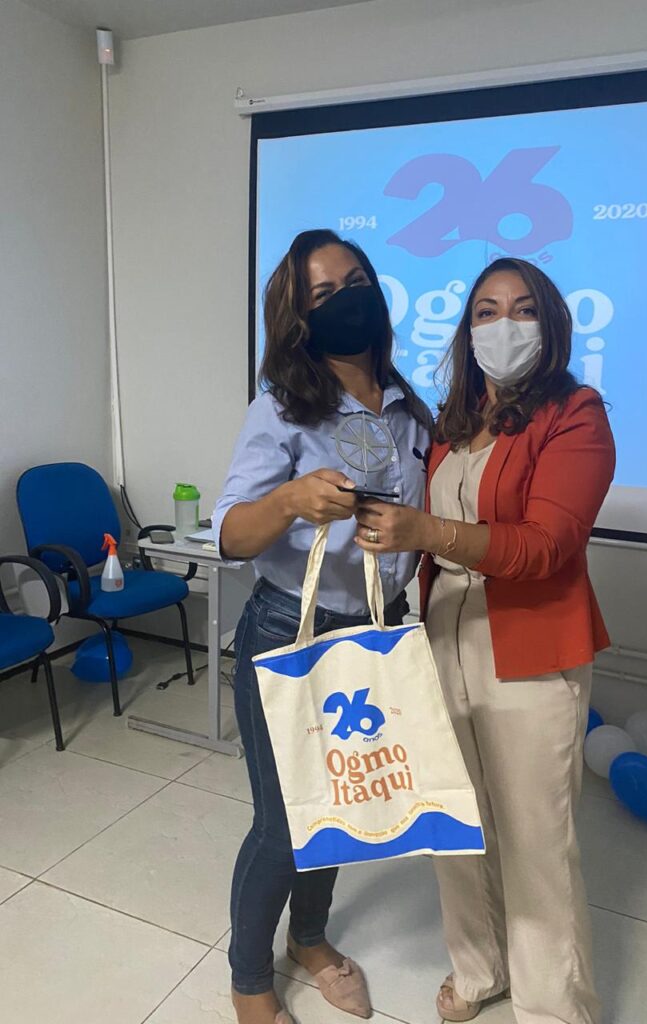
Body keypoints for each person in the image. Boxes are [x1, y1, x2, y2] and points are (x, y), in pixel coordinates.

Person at [353, 257, 615, 1024]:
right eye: (487, 312)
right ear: (467, 331)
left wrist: (427, 531)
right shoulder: (455, 420)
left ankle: (552, 1009)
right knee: (457, 824)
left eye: (524, 309)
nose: (505, 325)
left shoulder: (576, 414)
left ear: (552, 324)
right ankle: (478, 970)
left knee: (537, 845)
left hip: (530, 646)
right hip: (445, 636)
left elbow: (545, 546)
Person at [213, 229, 431, 1024]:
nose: (348, 301)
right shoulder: (280, 408)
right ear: (300, 318)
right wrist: (289, 500)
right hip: (290, 630)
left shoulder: (410, 409)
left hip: (377, 632)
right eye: (325, 294)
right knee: (284, 825)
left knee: (340, 811)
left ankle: (310, 939)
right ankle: (249, 981)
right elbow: (231, 535)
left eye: (357, 282)